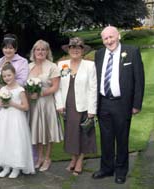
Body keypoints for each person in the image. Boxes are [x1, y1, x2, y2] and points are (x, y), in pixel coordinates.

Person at [92, 26, 144, 184]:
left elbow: (139, 80)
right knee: (106, 139)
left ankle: (121, 170)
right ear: (103, 40)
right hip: (104, 103)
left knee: (122, 139)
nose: (109, 41)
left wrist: (136, 104)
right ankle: (107, 168)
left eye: (111, 37)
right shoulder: (99, 54)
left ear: (118, 36)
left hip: (122, 103)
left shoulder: (132, 51)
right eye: (105, 38)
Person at [55, 37, 97, 176]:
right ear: (69, 50)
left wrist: (92, 110)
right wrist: (59, 104)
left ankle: (80, 160)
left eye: (78, 48)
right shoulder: (62, 65)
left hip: (84, 105)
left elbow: (93, 88)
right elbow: (58, 87)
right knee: (71, 134)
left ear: (83, 50)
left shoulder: (89, 66)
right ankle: (73, 158)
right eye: (73, 48)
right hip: (67, 105)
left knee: (84, 134)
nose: (75, 50)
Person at [0, 63, 35, 178]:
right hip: (4, 118)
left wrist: (12, 103)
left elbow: (26, 107)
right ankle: (6, 166)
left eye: (9, 75)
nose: (7, 78)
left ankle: (16, 167)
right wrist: (3, 103)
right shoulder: (3, 89)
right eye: (4, 76)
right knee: (4, 140)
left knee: (15, 141)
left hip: (16, 118)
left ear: (14, 75)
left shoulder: (20, 90)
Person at [28, 40, 63, 172]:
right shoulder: (29, 66)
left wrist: (40, 93)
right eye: (38, 49)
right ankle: (40, 157)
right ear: (34, 52)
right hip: (33, 104)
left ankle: (48, 158)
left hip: (47, 103)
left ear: (47, 52)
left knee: (48, 132)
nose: (40, 52)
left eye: (43, 49)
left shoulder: (52, 66)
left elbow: (55, 86)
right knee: (36, 130)